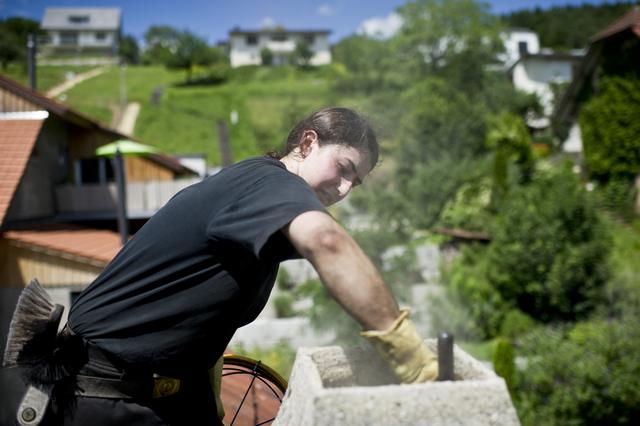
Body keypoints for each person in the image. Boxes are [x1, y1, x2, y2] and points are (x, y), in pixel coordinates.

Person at [4, 107, 438, 426]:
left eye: (354, 182)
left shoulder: (257, 189)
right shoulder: (270, 184)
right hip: (99, 399)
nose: (344, 188)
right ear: (307, 143)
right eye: (343, 169)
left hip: (159, 395)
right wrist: (408, 354)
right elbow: (328, 241)